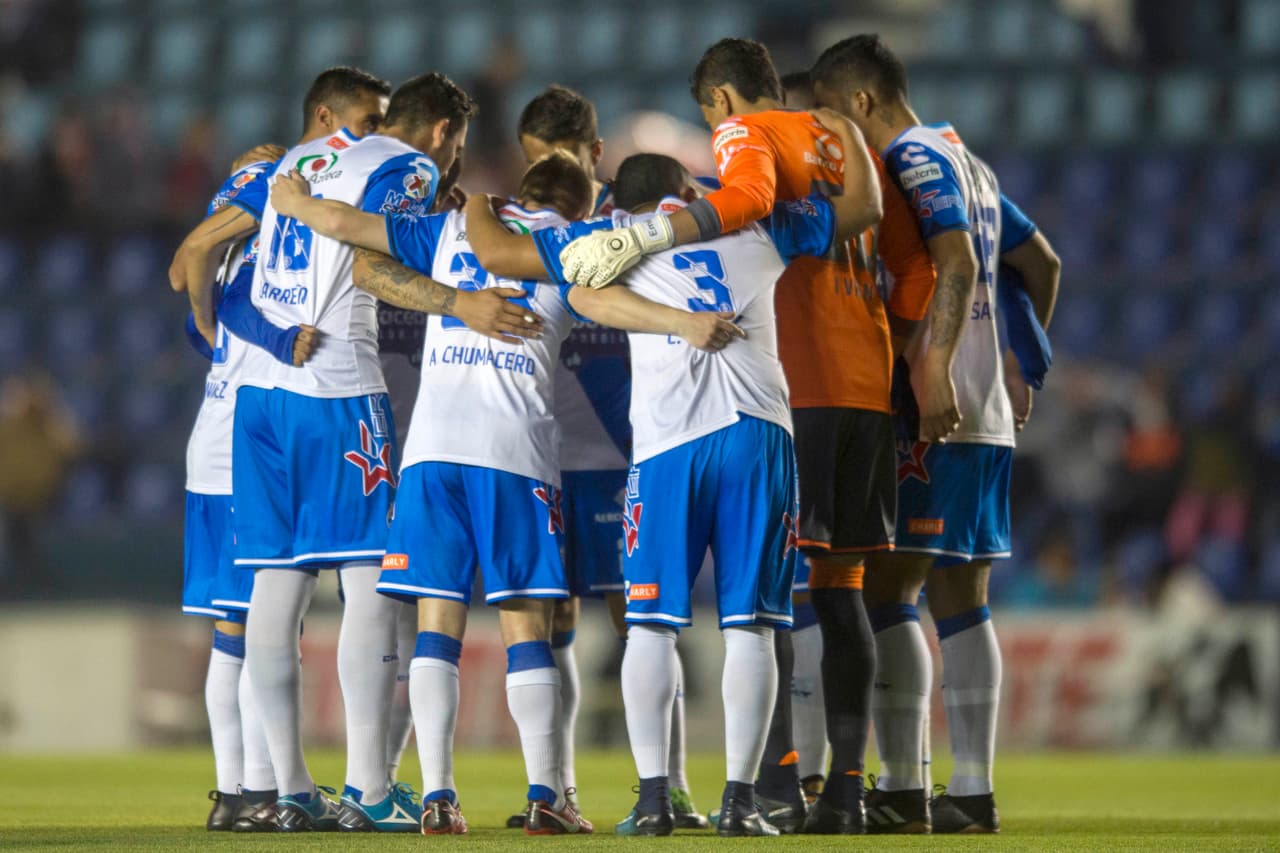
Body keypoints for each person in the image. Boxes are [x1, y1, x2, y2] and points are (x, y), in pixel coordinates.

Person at [269, 150, 743, 835]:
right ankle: (548, 793)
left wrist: (293, 202)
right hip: (513, 453)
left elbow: (349, 226)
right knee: (527, 629)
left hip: (432, 453)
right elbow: (613, 291)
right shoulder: (574, 243)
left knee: (437, 628)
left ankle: (436, 794)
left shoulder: (450, 228)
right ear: (580, 209)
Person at [811, 34, 1060, 834]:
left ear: (859, 102)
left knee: (888, 589)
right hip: (986, 413)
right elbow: (1043, 263)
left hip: (939, 411)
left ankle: (902, 787)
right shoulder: (971, 162)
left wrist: (937, 369)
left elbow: (951, 264)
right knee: (963, 598)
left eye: (829, 113)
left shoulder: (913, 161)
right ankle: (972, 791)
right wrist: (1015, 364)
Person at [476, 84, 708, 831]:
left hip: (618, 453)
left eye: (564, 161)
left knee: (643, 619)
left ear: (596, 156)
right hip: (536, 448)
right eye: (538, 164)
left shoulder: (626, 221)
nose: (552, 178)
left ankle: (667, 786)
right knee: (552, 621)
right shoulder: (517, 226)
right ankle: (555, 789)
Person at [179, 153, 318, 832]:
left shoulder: (229, 268)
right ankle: (254, 789)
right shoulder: (270, 265)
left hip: (216, 452)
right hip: (244, 457)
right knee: (260, 627)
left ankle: (236, 790)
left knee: (234, 631)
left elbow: (187, 277)